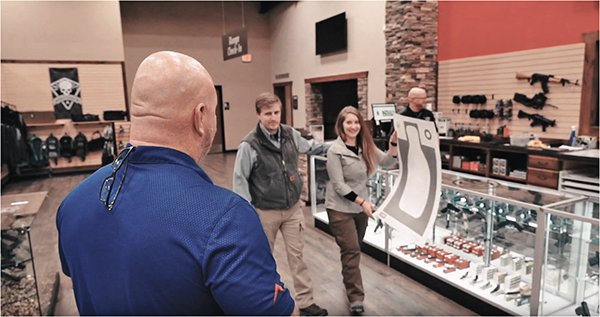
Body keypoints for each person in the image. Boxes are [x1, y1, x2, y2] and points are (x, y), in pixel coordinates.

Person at [56, 52, 297, 316]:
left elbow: (75, 279)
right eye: (214, 112)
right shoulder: (225, 219)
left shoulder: (73, 203)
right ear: (201, 116)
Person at [233, 92, 330, 316]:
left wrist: (334, 148)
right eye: (268, 114)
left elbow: (311, 147)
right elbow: (239, 183)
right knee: (263, 258)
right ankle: (264, 301)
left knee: (297, 257)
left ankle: (306, 303)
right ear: (258, 114)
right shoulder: (249, 145)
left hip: (293, 209)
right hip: (264, 212)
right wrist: (248, 215)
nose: (273, 118)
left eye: (276, 112)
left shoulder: (289, 134)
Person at [325, 106, 398, 316]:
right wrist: (362, 203)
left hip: (360, 209)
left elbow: (388, 161)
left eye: (357, 122)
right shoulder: (334, 151)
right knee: (351, 251)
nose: (353, 126)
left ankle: (349, 280)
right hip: (340, 209)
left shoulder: (366, 146)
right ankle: (356, 297)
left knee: (353, 250)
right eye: (349, 122)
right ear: (341, 125)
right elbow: (338, 185)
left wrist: (394, 141)